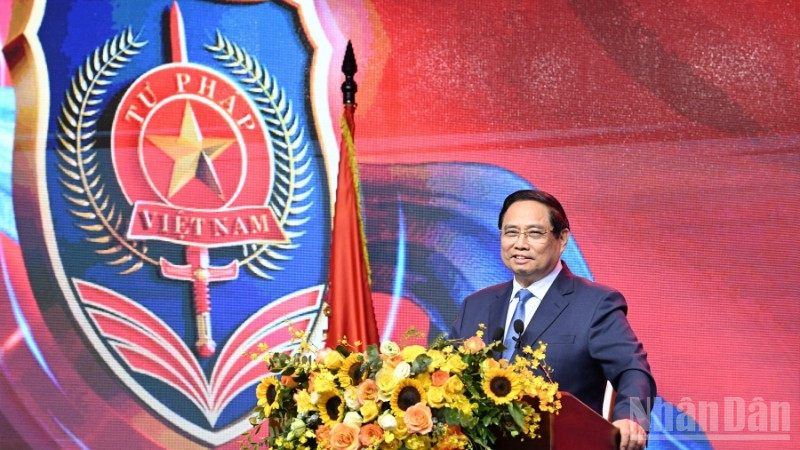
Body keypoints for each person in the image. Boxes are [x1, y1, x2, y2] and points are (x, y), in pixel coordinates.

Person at [450, 189, 656, 450]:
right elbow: (445, 376)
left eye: (534, 233)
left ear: (562, 238)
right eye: (511, 232)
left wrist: (633, 419)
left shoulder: (595, 304)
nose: (520, 243)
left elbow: (634, 371)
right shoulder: (475, 305)